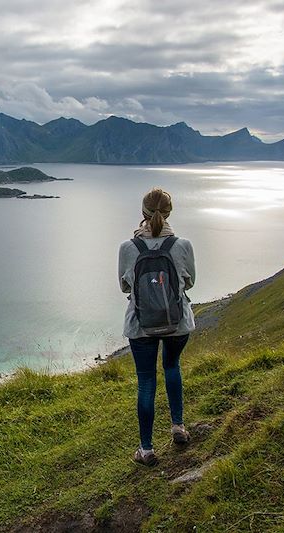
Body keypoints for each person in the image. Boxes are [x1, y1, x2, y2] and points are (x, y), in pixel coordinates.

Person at [117, 188, 196, 466]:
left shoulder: (128, 248)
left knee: (146, 381)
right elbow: (191, 282)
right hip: (177, 323)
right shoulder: (183, 245)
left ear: (143, 214)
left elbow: (124, 286)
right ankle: (178, 427)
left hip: (141, 326)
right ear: (170, 213)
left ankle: (146, 449)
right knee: (172, 367)